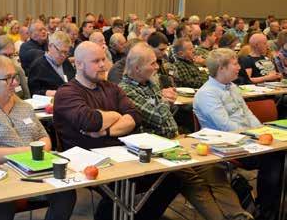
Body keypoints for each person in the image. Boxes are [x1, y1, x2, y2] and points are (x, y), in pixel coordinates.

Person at [119, 44, 253, 220]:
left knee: (212, 169)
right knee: (191, 178)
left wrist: (161, 98)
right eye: (152, 64)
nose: (157, 67)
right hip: (155, 149)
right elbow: (159, 118)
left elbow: (164, 116)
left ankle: (238, 215)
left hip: (175, 140)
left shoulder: (149, 84)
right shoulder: (125, 90)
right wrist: (163, 98)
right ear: (137, 68)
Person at [53, 41, 180, 220]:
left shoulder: (112, 88)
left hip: (121, 153)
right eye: (96, 61)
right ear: (79, 64)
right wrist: (115, 115)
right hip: (85, 160)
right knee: (121, 186)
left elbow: (134, 117)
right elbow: (90, 121)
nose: (103, 65)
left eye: (103, 59)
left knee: (173, 178)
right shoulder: (67, 92)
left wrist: (105, 131)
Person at [0, 55, 76, 220]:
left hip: (32, 170)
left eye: (15, 77)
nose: (15, 83)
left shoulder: (24, 107)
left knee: (66, 193)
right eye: (8, 78)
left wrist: (35, 152)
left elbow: (44, 138)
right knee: (4, 200)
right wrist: (28, 152)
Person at [193, 48, 284, 220]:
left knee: (279, 154)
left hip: (247, 138)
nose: (239, 67)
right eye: (235, 64)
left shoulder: (232, 87)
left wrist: (262, 132)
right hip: (226, 144)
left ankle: (271, 205)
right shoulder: (207, 94)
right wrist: (255, 137)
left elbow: (247, 113)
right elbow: (226, 126)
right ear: (221, 68)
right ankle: (266, 211)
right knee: (273, 158)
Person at [27, 31, 75, 96]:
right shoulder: (38, 66)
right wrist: (48, 92)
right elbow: (33, 92)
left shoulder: (66, 62)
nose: (63, 56)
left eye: (66, 53)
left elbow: (73, 80)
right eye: (61, 51)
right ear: (50, 46)